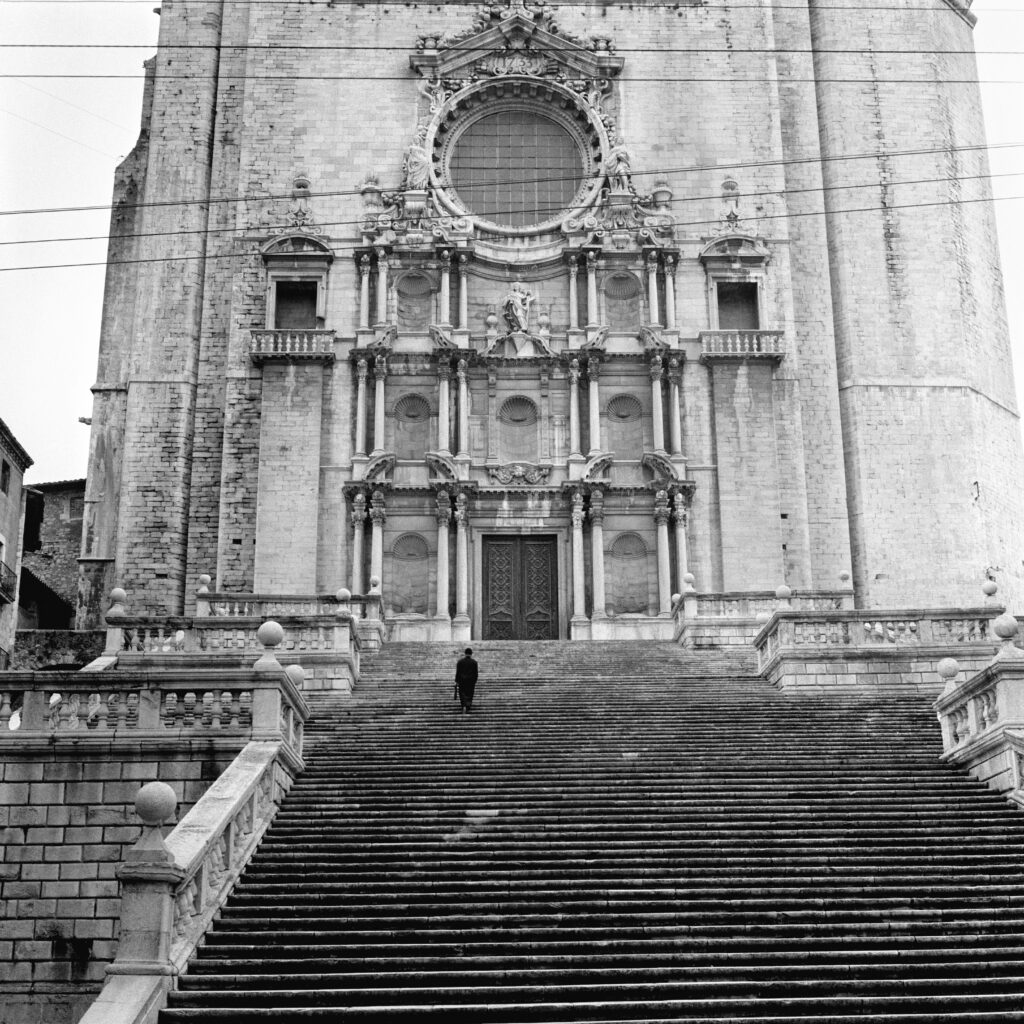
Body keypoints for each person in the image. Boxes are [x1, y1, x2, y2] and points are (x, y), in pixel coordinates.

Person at [454, 647, 478, 714]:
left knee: (462, 693)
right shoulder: (474, 662)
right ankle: (468, 705)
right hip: (471, 681)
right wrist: (475, 681)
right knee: (470, 693)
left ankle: (464, 705)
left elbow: (458, 672)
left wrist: (456, 681)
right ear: (471, 654)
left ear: (465, 653)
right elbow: (476, 673)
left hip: (462, 681)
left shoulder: (460, 662)